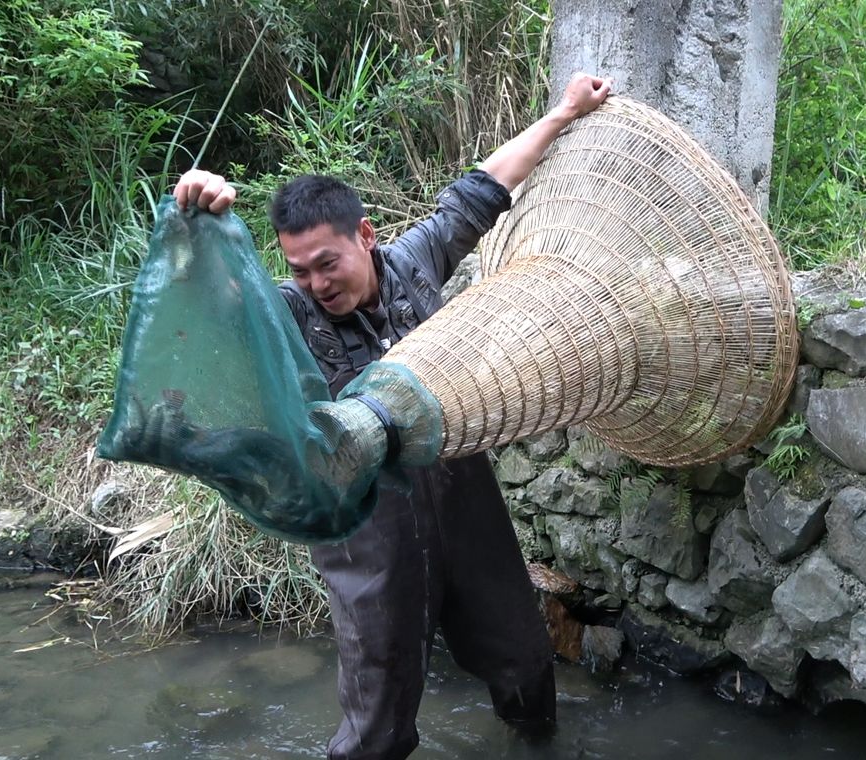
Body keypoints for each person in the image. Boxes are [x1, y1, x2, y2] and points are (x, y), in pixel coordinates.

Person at [174, 72, 611, 760]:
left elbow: (486, 187)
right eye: (300, 268)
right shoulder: (288, 314)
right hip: (363, 524)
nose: (318, 283)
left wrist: (565, 110)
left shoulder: (415, 264)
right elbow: (226, 304)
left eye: (328, 263)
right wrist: (202, 228)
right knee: (378, 708)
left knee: (524, 659)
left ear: (366, 236)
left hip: (463, 491)